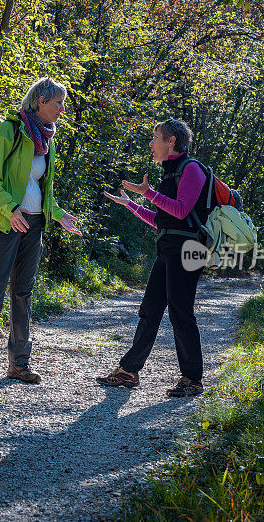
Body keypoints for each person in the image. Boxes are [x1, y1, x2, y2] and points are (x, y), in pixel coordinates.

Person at [0, 77, 82, 384]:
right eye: (58, 103)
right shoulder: (8, 130)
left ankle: (19, 363)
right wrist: (10, 209)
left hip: (35, 223)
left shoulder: (48, 140)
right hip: (4, 221)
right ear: (40, 101)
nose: (62, 110)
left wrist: (57, 214)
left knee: (23, 294)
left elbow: (43, 188)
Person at [97, 118, 210, 397]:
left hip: (190, 250)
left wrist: (148, 193)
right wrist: (134, 205)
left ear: (171, 141)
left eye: (155, 137)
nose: (151, 143)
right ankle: (129, 371)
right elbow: (164, 221)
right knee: (150, 310)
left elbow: (182, 211)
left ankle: (192, 379)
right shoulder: (170, 173)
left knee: (180, 312)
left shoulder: (191, 168)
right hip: (169, 247)